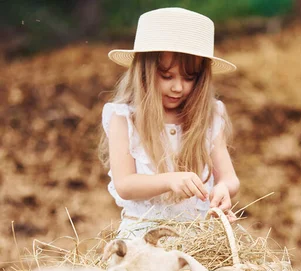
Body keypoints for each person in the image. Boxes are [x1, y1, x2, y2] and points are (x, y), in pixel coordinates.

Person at [98, 7, 239, 238]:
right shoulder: (124, 118)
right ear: (144, 72)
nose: (178, 87)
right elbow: (125, 185)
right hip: (143, 237)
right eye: (167, 76)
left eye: (189, 78)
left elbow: (229, 177)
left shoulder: (209, 117)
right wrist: (170, 180)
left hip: (197, 239)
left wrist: (223, 188)